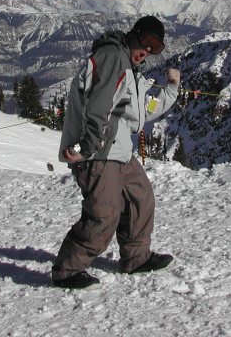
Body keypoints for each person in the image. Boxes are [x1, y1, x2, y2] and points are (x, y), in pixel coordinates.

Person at [52, 15, 181, 289]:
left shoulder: (131, 69)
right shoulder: (112, 57)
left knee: (140, 199)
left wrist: (171, 90)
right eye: (146, 41)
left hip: (118, 150)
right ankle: (68, 270)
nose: (147, 50)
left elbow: (141, 111)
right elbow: (98, 106)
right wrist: (88, 147)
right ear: (134, 34)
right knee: (104, 214)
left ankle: (136, 258)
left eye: (156, 48)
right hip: (99, 152)